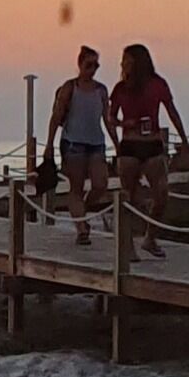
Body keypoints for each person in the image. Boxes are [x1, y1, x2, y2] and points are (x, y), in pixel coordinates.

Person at [106, 44, 188, 259]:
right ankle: (128, 245)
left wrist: (184, 139)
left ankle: (150, 237)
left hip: (152, 144)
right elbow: (111, 118)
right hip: (130, 146)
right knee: (128, 197)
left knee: (162, 194)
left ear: (137, 61)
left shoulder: (157, 84)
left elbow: (171, 110)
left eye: (126, 60)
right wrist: (125, 124)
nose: (122, 64)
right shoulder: (120, 88)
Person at [42, 45, 112, 246]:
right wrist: (49, 145)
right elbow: (56, 117)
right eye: (89, 65)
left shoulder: (101, 90)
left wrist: (117, 142)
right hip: (73, 144)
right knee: (76, 187)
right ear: (80, 65)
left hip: (96, 143)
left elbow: (106, 119)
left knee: (100, 184)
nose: (93, 69)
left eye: (96, 65)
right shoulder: (69, 88)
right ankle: (82, 230)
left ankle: (82, 213)